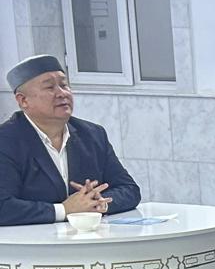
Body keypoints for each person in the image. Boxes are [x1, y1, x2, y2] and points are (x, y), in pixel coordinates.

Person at [1, 55, 140, 226]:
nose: (62, 93)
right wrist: (64, 210)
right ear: (23, 100)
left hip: (86, 237)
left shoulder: (92, 134)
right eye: (50, 87)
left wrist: (96, 202)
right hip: (30, 241)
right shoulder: (6, 141)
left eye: (64, 85)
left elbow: (129, 189)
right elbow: (3, 207)